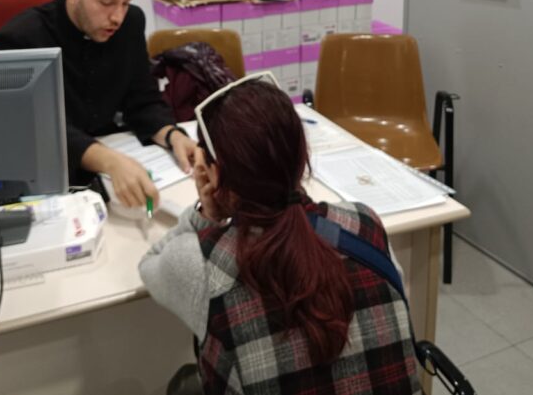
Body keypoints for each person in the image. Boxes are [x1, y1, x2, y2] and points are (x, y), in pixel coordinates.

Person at [139, 73, 421, 394]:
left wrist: (207, 214)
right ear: (300, 156)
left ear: (213, 173)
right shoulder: (364, 223)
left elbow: (150, 265)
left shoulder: (203, 266)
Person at [0, 0, 193, 207]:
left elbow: (142, 100)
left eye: (125, 3)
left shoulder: (131, 23)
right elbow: (38, 128)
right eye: (108, 3)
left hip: (112, 162)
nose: (118, 17)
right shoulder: (23, 37)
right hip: (55, 178)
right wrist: (108, 160)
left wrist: (173, 135)